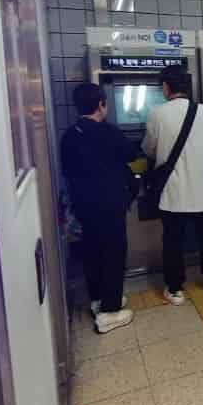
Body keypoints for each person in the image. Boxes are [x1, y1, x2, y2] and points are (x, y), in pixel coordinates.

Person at [60, 83, 138, 334]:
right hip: (110, 204)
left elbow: (67, 170)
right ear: (101, 104)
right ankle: (111, 312)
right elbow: (130, 154)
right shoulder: (109, 132)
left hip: (84, 206)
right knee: (113, 254)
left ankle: (98, 300)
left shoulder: (69, 136)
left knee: (92, 252)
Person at [142, 65, 203, 306]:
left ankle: (175, 289)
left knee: (172, 241)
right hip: (201, 189)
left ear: (166, 87)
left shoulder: (156, 114)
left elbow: (149, 148)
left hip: (172, 192)